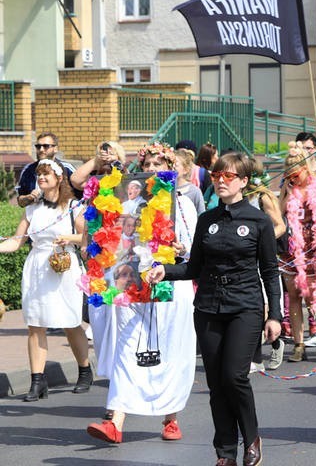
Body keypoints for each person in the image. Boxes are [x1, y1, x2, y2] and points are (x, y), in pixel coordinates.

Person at [147, 151, 281, 466]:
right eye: (217, 176)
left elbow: (271, 272)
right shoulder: (207, 220)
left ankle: (251, 438)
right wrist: (165, 270)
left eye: (228, 176)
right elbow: (194, 268)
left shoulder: (258, 220)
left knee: (235, 376)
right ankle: (225, 453)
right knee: (216, 384)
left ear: (244, 181)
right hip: (208, 307)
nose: (220, 181)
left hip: (245, 307)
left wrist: (275, 315)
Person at [86, 142, 198, 445]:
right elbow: (116, 239)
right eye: (146, 165)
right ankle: (116, 421)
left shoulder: (184, 205)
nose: (151, 170)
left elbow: (197, 251)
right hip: (132, 284)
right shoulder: (129, 203)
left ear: (171, 169)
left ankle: (171, 418)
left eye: (157, 165)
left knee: (171, 349)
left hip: (170, 284)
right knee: (126, 347)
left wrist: (182, 248)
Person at [0, 159, 92, 400]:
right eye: (39, 175)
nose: (41, 178)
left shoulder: (74, 206)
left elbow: (87, 238)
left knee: (70, 322)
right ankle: (37, 382)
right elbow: (16, 242)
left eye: (46, 174)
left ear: (59, 178)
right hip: (37, 267)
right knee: (35, 324)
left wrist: (69, 238)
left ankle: (84, 371)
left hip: (64, 267)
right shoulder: (32, 210)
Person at [279, 145, 316, 361]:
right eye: (289, 176)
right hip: (293, 249)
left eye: (296, 174)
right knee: (293, 295)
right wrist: (287, 191)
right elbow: (279, 214)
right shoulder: (288, 188)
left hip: (315, 248)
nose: (293, 179)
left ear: (306, 168)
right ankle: (299, 345)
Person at [244, 158, 286, 373]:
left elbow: (280, 225)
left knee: (264, 306)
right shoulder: (237, 198)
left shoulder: (264, 197)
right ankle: (254, 355)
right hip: (245, 260)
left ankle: (275, 343)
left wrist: (263, 242)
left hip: (263, 258)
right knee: (253, 306)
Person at [16, 132, 77, 207]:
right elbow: (20, 201)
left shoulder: (67, 169)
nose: (41, 149)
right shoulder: (28, 170)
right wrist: (29, 197)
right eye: (38, 146)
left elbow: (81, 195)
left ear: (55, 149)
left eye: (46, 146)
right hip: (35, 216)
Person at [175, 148, 206, 214]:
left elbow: (201, 214)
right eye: (170, 164)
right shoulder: (165, 189)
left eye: (175, 165)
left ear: (186, 170)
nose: (172, 167)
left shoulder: (194, 191)